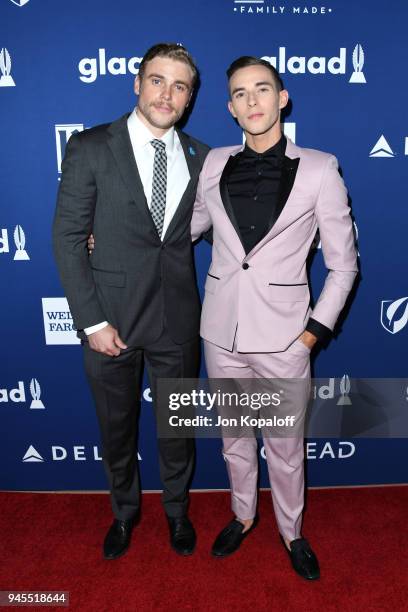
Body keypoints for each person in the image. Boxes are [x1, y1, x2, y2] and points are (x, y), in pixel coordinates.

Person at [190, 56, 358, 579]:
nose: (252, 101)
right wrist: (114, 237)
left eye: (262, 89)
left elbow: (344, 264)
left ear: (282, 98)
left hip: (286, 338)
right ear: (230, 108)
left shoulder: (320, 168)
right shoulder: (214, 163)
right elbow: (184, 228)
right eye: (240, 93)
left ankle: (292, 531)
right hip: (221, 333)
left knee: (285, 449)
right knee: (235, 439)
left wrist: (311, 334)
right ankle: (243, 516)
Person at [52, 43, 209, 560]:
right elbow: (68, 238)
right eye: (158, 80)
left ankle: (177, 511)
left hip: (178, 320)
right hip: (110, 322)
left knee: (177, 431)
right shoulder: (91, 146)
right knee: (116, 429)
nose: (167, 94)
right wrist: (91, 321)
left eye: (179, 86)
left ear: (188, 100)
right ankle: (124, 512)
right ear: (136, 84)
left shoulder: (202, 157)